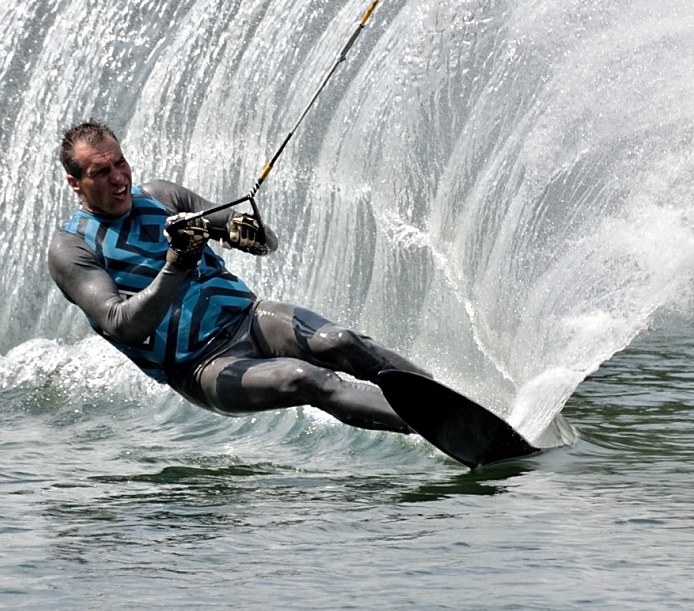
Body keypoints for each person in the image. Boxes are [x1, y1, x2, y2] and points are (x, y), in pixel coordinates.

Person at [48, 120, 430, 433]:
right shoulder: (72, 248)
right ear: (75, 181)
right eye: (101, 172)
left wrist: (250, 235)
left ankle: (453, 404)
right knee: (307, 379)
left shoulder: (163, 196)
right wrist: (178, 261)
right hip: (201, 367)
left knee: (341, 341)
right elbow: (122, 325)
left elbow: (266, 242)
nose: (119, 179)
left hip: (252, 319)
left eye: (120, 163)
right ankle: (436, 425)